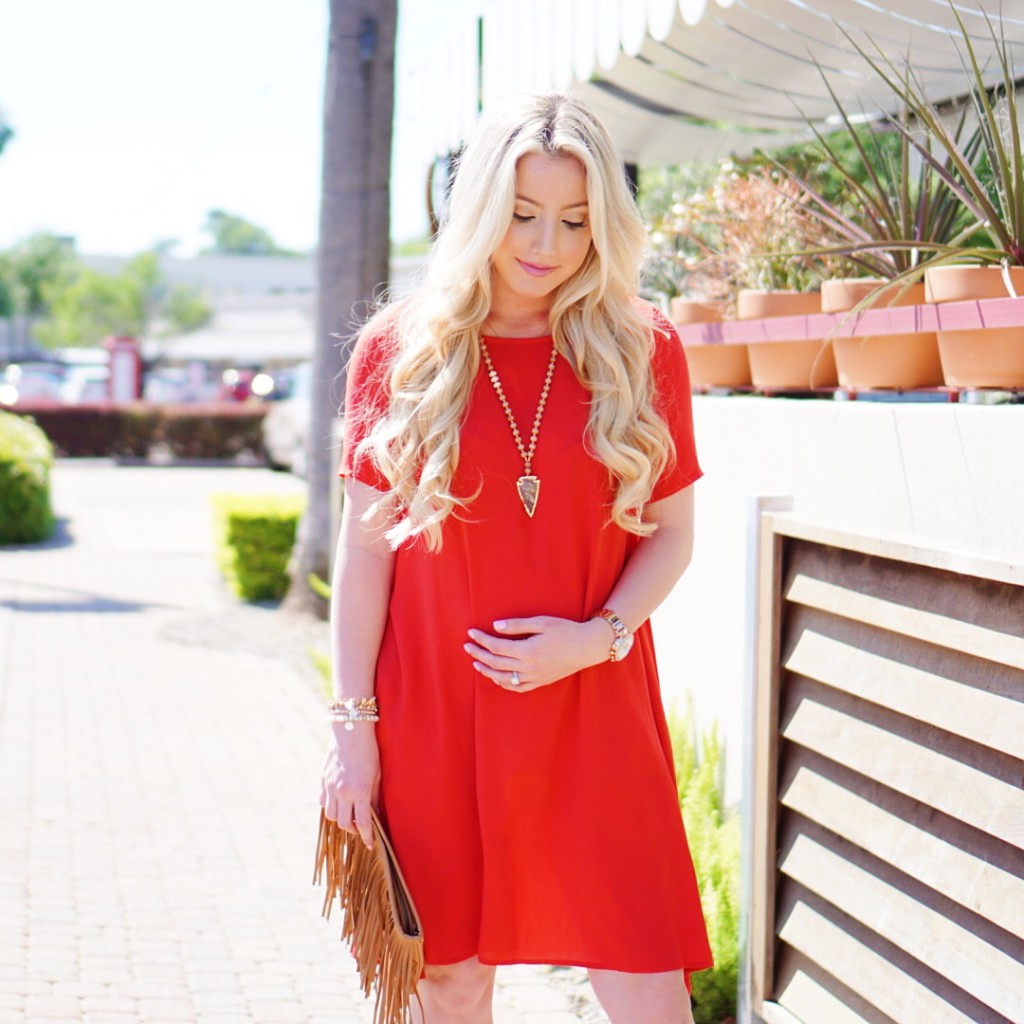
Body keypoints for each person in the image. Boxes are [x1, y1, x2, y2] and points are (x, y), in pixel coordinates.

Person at [320, 92, 712, 1024]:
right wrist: (352, 732)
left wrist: (597, 638)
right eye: (522, 216)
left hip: (593, 705)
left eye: (574, 221)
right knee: (447, 979)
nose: (546, 244)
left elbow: (674, 535)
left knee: (648, 979)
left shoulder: (641, 349)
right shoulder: (400, 351)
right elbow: (366, 554)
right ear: (479, 213)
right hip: (434, 714)